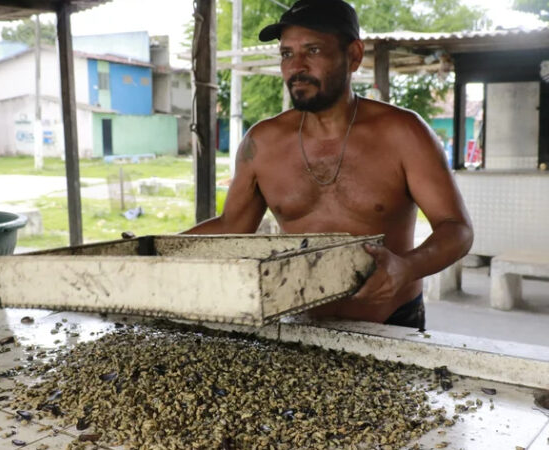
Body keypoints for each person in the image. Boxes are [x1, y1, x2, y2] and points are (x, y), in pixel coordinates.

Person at [183, 0, 473, 329]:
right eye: (287, 54)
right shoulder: (261, 143)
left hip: (390, 323)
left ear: (353, 56)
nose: (296, 66)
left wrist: (406, 266)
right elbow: (231, 229)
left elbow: (456, 229)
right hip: (297, 325)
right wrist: (155, 250)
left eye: (313, 50)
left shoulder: (403, 133)